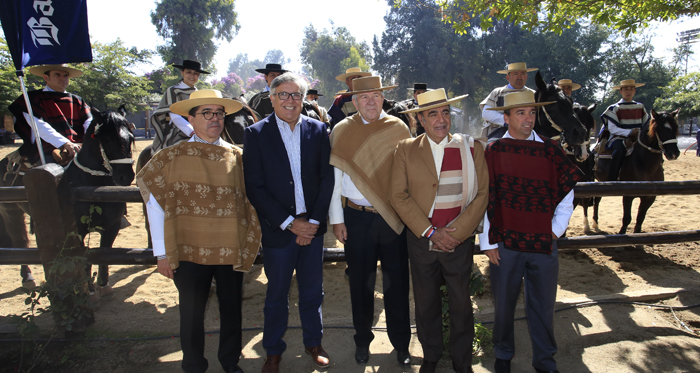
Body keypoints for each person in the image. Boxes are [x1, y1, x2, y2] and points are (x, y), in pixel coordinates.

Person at [137, 89, 262, 373]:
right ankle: (193, 365)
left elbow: (253, 200)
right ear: (190, 119)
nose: (214, 118)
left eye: (219, 113)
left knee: (232, 309)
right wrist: (161, 254)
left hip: (230, 248)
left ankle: (231, 362)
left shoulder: (239, 158)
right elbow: (154, 204)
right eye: (206, 113)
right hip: (188, 249)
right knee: (191, 313)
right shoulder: (170, 158)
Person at [480, 91, 583, 373]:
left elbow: (566, 195)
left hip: (543, 244)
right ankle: (503, 354)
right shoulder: (494, 151)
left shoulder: (551, 151)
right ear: (506, 117)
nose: (528, 119)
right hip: (506, 243)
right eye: (521, 113)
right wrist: (487, 242)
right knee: (503, 303)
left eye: (532, 113)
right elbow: (485, 198)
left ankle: (545, 360)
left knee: (543, 305)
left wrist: (555, 230)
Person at [391, 88, 488, 373]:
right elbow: (399, 196)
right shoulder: (405, 149)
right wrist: (431, 232)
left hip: (459, 242)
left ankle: (462, 361)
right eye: (433, 113)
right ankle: (431, 356)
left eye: (445, 112)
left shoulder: (472, 148)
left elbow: (482, 194)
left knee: (461, 303)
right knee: (425, 303)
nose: (441, 119)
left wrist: (456, 234)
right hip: (422, 242)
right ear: (420, 119)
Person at [242, 72, 334, 373]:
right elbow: (255, 187)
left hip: (313, 228)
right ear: (271, 98)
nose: (290, 100)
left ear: (304, 98)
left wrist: (314, 222)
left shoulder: (319, 131)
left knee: (312, 292)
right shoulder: (255, 134)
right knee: (276, 295)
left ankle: (313, 343)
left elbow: (326, 179)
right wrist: (290, 223)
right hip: (279, 232)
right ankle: (273, 350)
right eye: (283, 94)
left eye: (296, 94)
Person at [328, 75, 413, 367]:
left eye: (375, 95)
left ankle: (401, 345)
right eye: (363, 97)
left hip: (392, 218)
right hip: (356, 220)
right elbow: (335, 178)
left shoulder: (398, 127)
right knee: (361, 287)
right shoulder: (341, 130)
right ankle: (362, 342)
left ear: (383, 97)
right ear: (353, 101)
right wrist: (337, 220)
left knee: (398, 284)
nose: (370, 101)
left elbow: (407, 175)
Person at [9, 64, 91, 165]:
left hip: (80, 146)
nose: (63, 78)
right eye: (57, 74)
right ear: (46, 77)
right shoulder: (33, 98)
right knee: (50, 174)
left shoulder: (77, 100)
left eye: (65, 75)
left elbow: (89, 122)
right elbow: (38, 126)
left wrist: (89, 141)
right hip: (48, 147)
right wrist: (65, 143)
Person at [150, 59, 210, 154]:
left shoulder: (199, 94)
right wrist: (192, 133)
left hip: (200, 131)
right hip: (178, 131)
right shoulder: (173, 91)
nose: (192, 76)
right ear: (182, 73)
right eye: (188, 72)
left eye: (196, 73)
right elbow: (175, 116)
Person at [600, 79, 649, 182]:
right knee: (618, 151)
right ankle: (612, 180)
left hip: (638, 138)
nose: (629, 92)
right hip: (618, 138)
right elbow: (612, 129)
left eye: (631, 89)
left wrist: (640, 133)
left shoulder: (640, 107)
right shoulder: (614, 108)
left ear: (635, 91)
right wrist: (630, 132)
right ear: (621, 91)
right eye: (626, 89)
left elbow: (647, 125)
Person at [480, 62, 537, 138]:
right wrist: (507, 122)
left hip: (527, 132)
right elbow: (486, 113)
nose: (519, 77)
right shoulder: (498, 93)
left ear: (526, 77)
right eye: (516, 74)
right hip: (498, 132)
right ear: (508, 77)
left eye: (523, 74)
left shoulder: (533, 94)